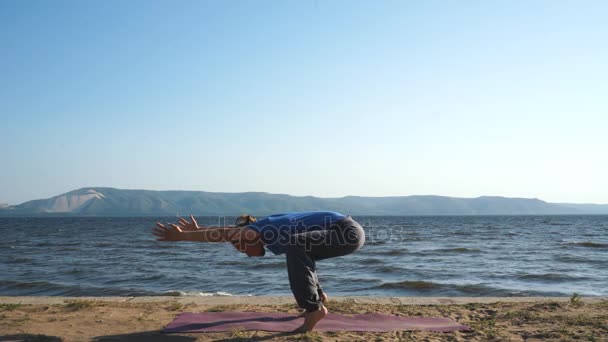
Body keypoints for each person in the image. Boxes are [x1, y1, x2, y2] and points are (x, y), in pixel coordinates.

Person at [152, 211, 365, 332]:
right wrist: (197, 231)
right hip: (346, 231)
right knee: (301, 252)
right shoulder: (268, 231)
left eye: (241, 246)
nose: (243, 251)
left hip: (345, 232)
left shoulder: (261, 230)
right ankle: (318, 298)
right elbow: (228, 234)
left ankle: (314, 310)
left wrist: (180, 236)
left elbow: (226, 234)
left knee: (297, 246)